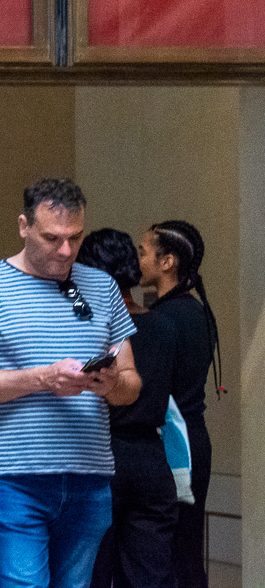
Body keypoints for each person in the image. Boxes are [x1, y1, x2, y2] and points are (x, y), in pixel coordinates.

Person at [0, 178, 142, 588]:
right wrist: (43, 378)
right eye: (52, 238)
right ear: (24, 226)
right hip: (15, 479)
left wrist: (108, 384)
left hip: (89, 478)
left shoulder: (102, 287)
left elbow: (131, 384)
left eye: (76, 237)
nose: (66, 250)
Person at [78, 228, 175, 588]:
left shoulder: (90, 327)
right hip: (150, 458)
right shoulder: (164, 326)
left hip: (99, 456)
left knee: (91, 572)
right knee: (149, 575)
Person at [138, 220, 220, 588]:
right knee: (187, 550)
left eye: (142, 252)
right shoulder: (199, 312)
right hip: (196, 441)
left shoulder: (163, 319)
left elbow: (152, 390)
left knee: (164, 556)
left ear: (167, 261)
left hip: (171, 445)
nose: (137, 261)